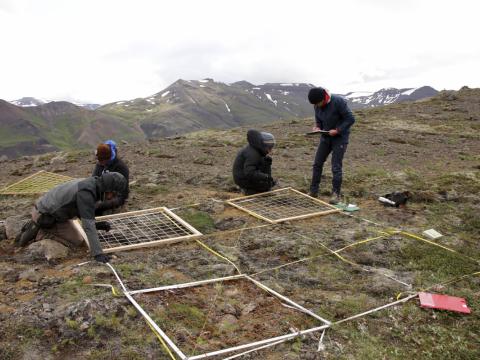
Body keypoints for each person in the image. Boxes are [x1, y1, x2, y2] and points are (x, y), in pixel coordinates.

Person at [15, 172, 127, 263]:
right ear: (108, 189)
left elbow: (81, 210)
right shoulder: (86, 193)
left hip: (51, 210)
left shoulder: (91, 184)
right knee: (77, 240)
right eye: (114, 193)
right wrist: (98, 253)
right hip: (45, 216)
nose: (113, 197)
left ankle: (37, 224)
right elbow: (88, 225)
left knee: (79, 232)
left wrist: (97, 225)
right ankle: (41, 232)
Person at [308, 87, 355, 204]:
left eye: (318, 103)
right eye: (315, 104)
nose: (317, 106)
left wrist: (338, 130)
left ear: (324, 98)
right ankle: (313, 191)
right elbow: (318, 119)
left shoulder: (338, 101)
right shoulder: (316, 104)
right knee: (317, 164)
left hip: (339, 138)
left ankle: (335, 194)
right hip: (325, 137)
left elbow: (350, 119)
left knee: (336, 166)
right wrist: (317, 127)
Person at [233, 129, 276, 195]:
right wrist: (265, 177)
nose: (270, 151)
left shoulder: (256, 150)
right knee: (265, 184)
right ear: (263, 145)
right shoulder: (253, 154)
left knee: (267, 161)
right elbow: (250, 172)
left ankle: (263, 188)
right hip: (243, 179)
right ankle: (249, 191)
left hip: (244, 176)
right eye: (269, 148)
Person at [93, 140, 129, 215]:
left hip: (114, 198)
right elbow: (93, 181)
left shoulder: (121, 168)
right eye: (99, 160)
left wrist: (102, 205)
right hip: (101, 195)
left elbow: (123, 195)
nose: (100, 162)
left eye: (102, 160)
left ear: (108, 158)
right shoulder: (100, 165)